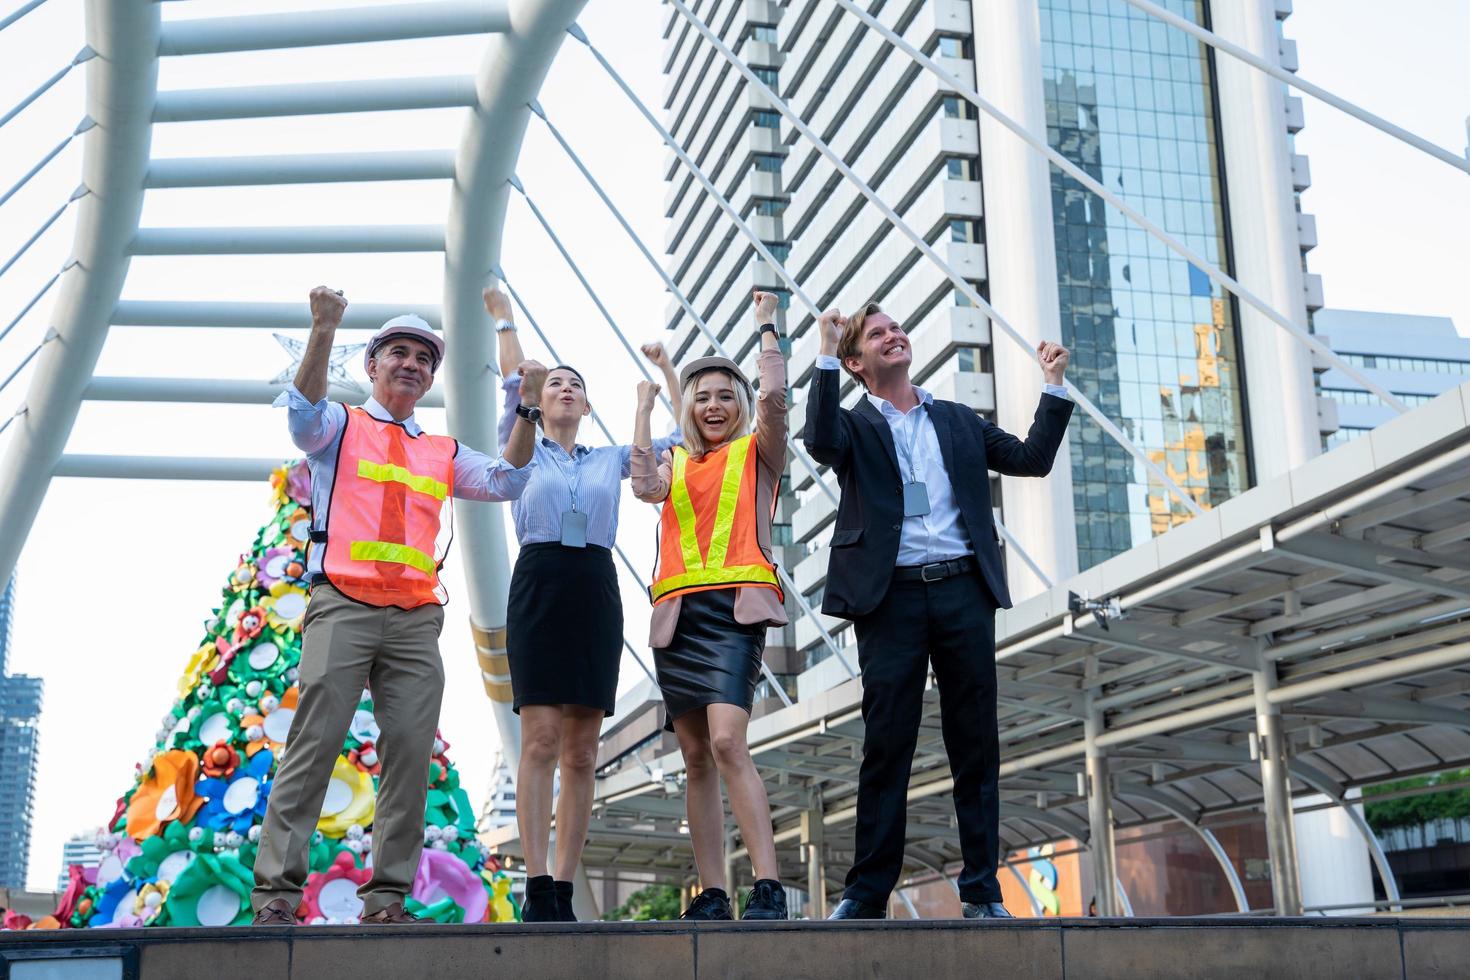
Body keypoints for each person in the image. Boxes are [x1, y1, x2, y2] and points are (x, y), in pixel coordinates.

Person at [251, 286, 541, 926]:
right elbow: (301, 418)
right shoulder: (341, 425)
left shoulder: (443, 452)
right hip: (342, 606)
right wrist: (324, 329)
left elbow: (509, 479)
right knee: (313, 746)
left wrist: (528, 412)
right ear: (373, 366)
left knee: (409, 755)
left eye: (423, 359)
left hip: (414, 618)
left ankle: (386, 902)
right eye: (399, 353)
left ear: (433, 377)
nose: (412, 364)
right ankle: (275, 895)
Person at [802, 303, 1073, 920]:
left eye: (896, 328)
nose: (894, 335)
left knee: (975, 745)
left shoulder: (955, 419)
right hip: (889, 598)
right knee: (887, 744)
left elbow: (1032, 458)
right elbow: (818, 439)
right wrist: (821, 348)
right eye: (877, 334)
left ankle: (982, 891)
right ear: (855, 363)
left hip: (962, 590)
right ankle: (866, 894)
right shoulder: (852, 425)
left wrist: (1053, 387)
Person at [484, 285, 683, 922]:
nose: (564, 388)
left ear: (588, 404)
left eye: (575, 384)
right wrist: (505, 318)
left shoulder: (608, 460)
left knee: (582, 749)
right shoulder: (520, 443)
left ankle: (564, 886)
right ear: (537, 403)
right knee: (539, 738)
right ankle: (536, 882)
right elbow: (518, 376)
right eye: (554, 384)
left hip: (595, 588)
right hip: (539, 583)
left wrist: (664, 379)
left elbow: (683, 438)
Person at [631, 290, 790, 921]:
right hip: (677, 617)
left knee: (727, 742)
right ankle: (713, 894)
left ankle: (769, 887)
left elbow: (776, 400)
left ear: (741, 404)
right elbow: (643, 485)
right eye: (703, 396)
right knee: (694, 755)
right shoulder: (672, 461)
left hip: (734, 613)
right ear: (689, 408)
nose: (715, 405)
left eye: (727, 395)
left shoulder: (760, 452)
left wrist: (767, 328)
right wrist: (644, 410)